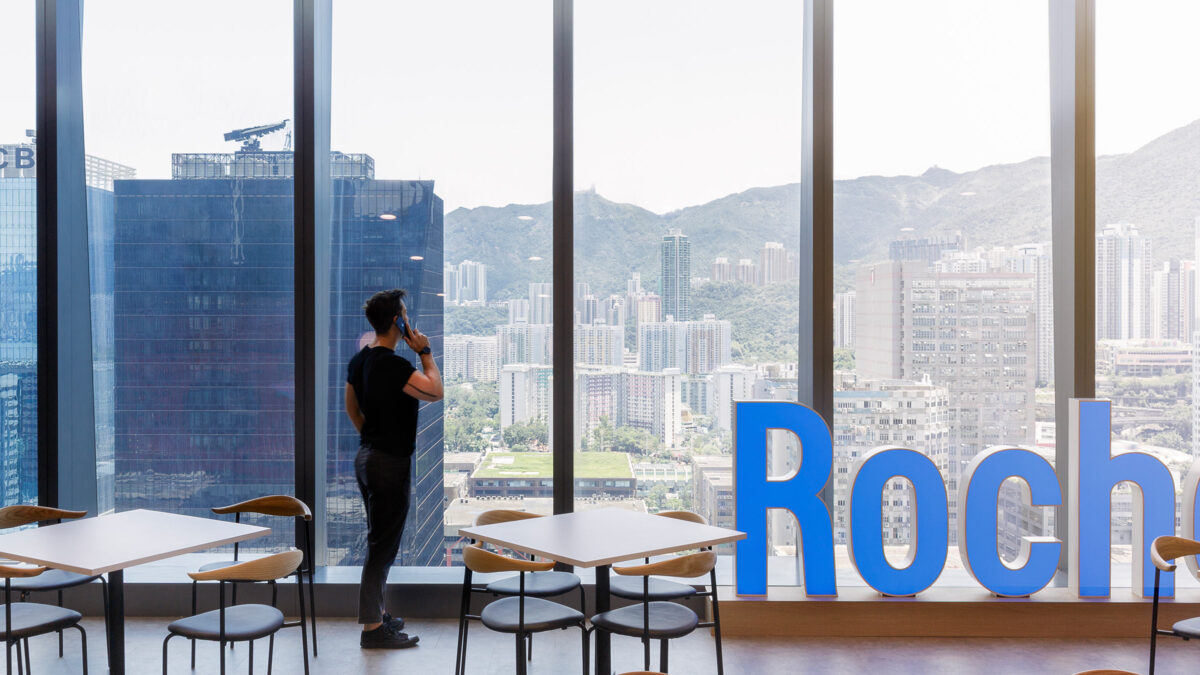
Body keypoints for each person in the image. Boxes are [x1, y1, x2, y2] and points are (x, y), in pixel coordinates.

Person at [344, 288, 443, 649]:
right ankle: (372, 628)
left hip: (367, 457)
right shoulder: (394, 364)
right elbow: (434, 391)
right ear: (397, 321)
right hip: (388, 463)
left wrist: (373, 438)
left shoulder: (360, 361)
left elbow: (352, 409)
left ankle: (377, 615)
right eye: (404, 314)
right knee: (381, 548)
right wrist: (426, 354)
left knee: (378, 541)